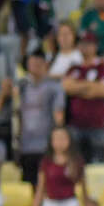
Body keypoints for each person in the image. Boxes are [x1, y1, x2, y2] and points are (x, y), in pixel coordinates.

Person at [15, 50, 65, 187]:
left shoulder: (54, 87)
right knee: (28, 186)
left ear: (45, 64)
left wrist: (57, 144)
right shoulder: (23, 86)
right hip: (26, 146)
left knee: (47, 186)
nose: (34, 67)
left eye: (38, 63)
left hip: (45, 145)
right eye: (31, 63)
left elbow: (58, 116)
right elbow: (17, 115)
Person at [63, 31, 104, 164]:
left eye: (88, 44)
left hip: (98, 125)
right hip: (75, 125)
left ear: (95, 46)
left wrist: (78, 88)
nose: (85, 47)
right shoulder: (73, 68)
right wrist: (90, 86)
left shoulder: (103, 67)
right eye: (82, 44)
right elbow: (67, 88)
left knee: (99, 164)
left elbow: (103, 91)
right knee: (75, 163)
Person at [34, 126, 84, 206]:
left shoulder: (76, 161)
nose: (60, 142)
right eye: (56, 139)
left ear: (69, 140)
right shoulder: (46, 162)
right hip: (51, 204)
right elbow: (40, 189)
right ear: (51, 142)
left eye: (63, 138)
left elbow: (83, 188)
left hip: (70, 204)